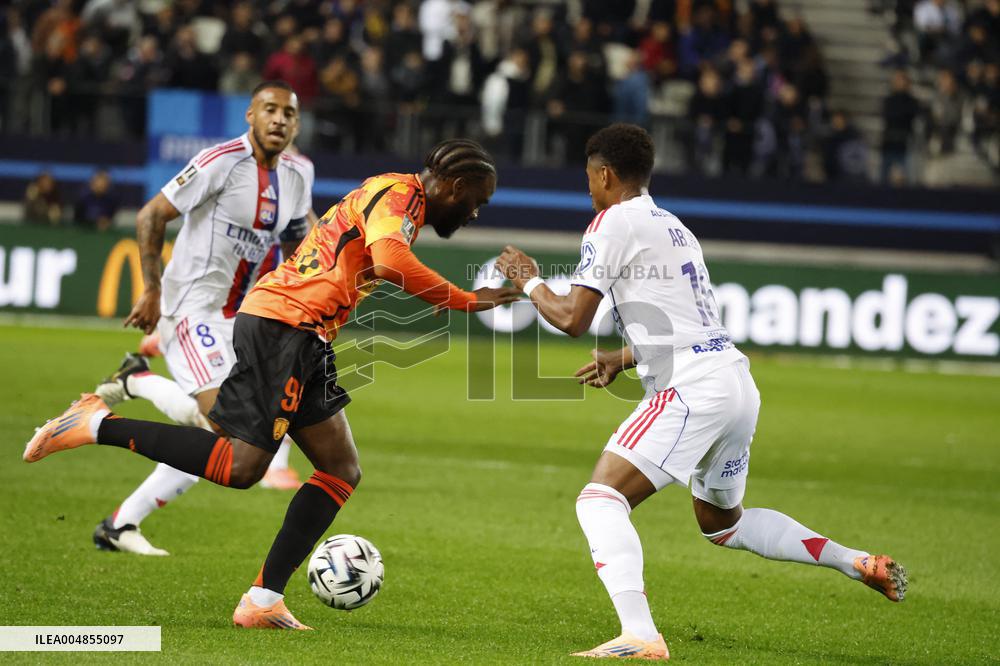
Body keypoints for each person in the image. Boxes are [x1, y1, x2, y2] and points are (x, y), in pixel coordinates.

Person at [24, 138, 520, 630]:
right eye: (480, 200)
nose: (477, 212)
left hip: (304, 331)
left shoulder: (393, 191)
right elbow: (389, 261)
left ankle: (262, 599)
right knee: (242, 466)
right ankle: (96, 423)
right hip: (287, 325)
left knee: (340, 469)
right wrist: (468, 300)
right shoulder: (399, 198)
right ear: (456, 187)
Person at [496, 124, 907, 660]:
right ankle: (853, 560)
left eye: (589, 179)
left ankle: (641, 634)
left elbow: (573, 318)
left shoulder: (611, 222)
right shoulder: (675, 227)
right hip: (733, 381)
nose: (589, 189)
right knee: (721, 524)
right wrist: (623, 357)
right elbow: (682, 320)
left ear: (605, 174)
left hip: (691, 388)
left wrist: (528, 280)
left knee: (600, 499)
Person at [88, 98, 319, 556]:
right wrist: (152, 290)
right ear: (249, 116)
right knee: (224, 430)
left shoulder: (298, 174)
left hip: (240, 320)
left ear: (297, 123)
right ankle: (137, 380)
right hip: (191, 310)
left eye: (289, 113)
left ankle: (120, 524)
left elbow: (301, 242)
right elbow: (151, 214)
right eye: (269, 109)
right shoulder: (220, 161)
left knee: (219, 444)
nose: (279, 119)